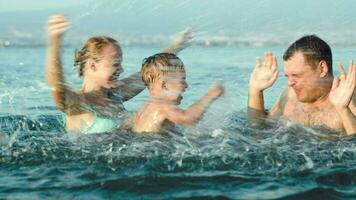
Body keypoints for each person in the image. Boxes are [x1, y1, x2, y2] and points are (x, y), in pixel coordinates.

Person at [46, 15, 193, 134]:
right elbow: (57, 86)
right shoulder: (76, 104)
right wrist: (55, 41)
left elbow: (151, 71)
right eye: (115, 63)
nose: (121, 70)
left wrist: (177, 46)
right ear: (92, 65)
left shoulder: (115, 95)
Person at [248, 35, 356, 135]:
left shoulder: (349, 101)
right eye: (288, 76)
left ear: (322, 69)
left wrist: (343, 110)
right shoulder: (289, 96)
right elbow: (259, 130)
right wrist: (255, 91)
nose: (290, 83)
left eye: (296, 75)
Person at [130, 53, 224, 133]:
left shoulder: (145, 107)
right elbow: (188, 119)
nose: (186, 85)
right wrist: (210, 95)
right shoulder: (163, 106)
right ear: (165, 85)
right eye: (182, 81)